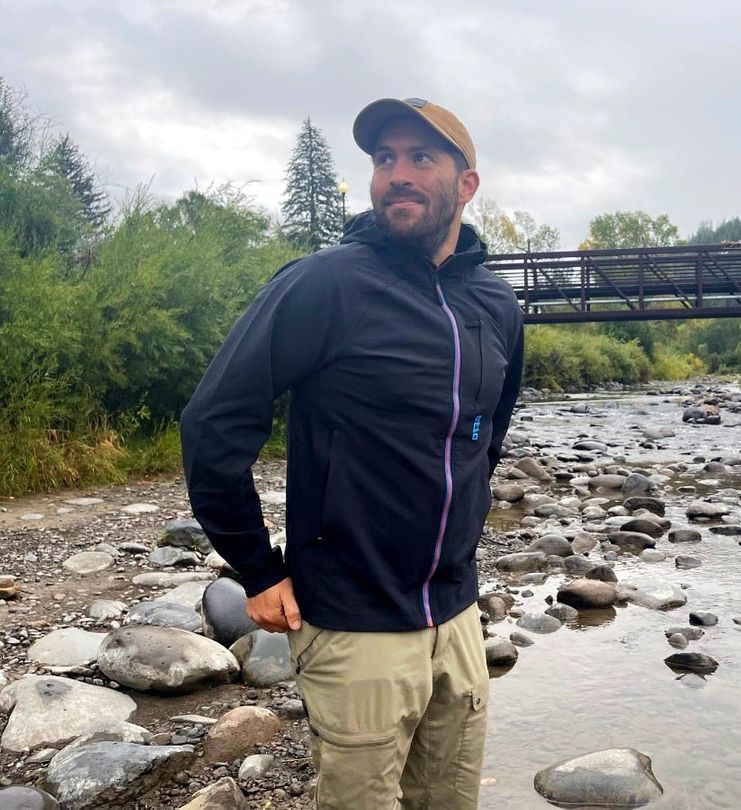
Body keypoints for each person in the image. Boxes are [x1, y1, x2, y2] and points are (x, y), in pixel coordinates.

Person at [180, 97, 524, 809]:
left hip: (457, 616)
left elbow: (486, 434)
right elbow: (214, 423)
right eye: (384, 159)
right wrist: (257, 568)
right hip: (353, 619)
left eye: (421, 158)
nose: (397, 174)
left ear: (466, 185)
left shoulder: (495, 304)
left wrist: (463, 538)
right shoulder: (325, 284)